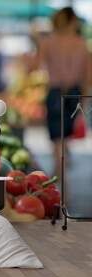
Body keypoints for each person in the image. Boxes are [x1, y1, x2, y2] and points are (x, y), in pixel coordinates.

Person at [31, 7, 90, 177]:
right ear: (72, 21)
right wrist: (84, 103)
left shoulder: (48, 42)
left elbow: (34, 67)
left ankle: (60, 168)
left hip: (56, 91)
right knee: (65, 133)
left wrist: (36, 40)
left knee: (57, 135)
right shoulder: (81, 43)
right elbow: (88, 77)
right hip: (75, 92)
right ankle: (62, 165)